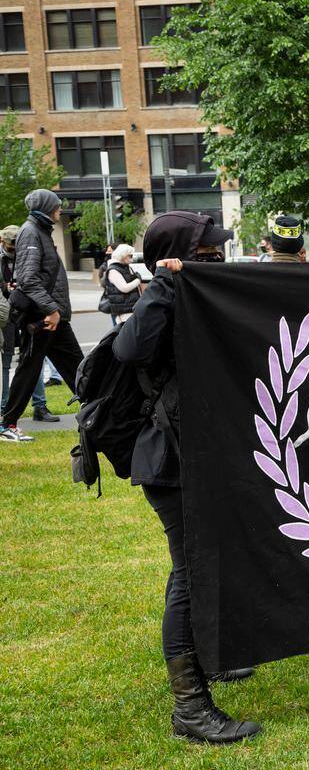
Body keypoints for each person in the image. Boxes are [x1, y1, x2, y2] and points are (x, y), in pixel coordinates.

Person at [111, 211, 261, 742]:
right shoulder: (161, 295)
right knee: (192, 574)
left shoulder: (201, 294)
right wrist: (163, 285)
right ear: (178, 256)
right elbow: (130, 350)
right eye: (207, 251)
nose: (217, 257)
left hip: (203, 454)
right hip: (171, 462)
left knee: (214, 564)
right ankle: (190, 708)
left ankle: (212, 658)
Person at [0, 190, 84, 443]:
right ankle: (7, 425)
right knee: (28, 370)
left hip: (53, 317)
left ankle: (102, 414)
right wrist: (52, 310)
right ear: (46, 207)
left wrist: (56, 312)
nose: (60, 210)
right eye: (57, 206)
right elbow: (28, 279)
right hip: (43, 317)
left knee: (78, 368)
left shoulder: (41, 231)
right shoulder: (31, 232)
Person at [1, 225, 54, 430]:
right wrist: (6, 288)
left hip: (27, 313)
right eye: (11, 246)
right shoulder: (2, 260)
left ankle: (39, 406)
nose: (14, 249)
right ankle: (5, 408)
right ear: (3, 243)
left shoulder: (28, 254)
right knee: (7, 363)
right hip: (6, 314)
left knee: (33, 359)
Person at [104, 244, 143, 324]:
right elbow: (124, 288)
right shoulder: (113, 270)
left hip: (130, 307)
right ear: (123, 255)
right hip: (124, 310)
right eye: (130, 256)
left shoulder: (126, 267)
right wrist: (138, 280)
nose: (132, 258)